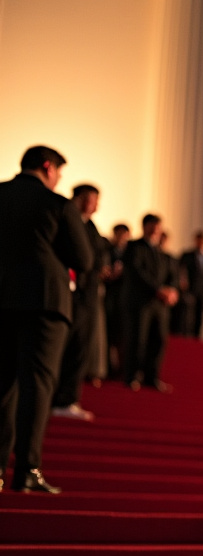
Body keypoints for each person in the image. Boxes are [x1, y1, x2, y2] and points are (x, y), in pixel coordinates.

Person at [0, 146, 94, 493]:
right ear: (47, 167)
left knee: (2, 385)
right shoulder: (56, 204)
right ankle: (27, 470)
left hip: (2, 297)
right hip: (44, 301)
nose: (58, 179)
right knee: (37, 385)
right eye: (59, 173)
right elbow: (82, 259)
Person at [51, 184, 106, 421]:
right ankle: (55, 398)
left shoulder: (93, 229)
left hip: (88, 298)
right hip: (66, 294)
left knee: (80, 348)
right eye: (90, 199)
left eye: (96, 200)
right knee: (59, 348)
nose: (94, 205)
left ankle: (68, 398)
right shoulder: (64, 219)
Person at [122, 214, 178, 392]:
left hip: (159, 305)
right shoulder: (134, 247)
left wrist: (172, 290)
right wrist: (158, 290)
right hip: (141, 302)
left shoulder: (161, 252)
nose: (155, 230)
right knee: (138, 339)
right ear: (145, 226)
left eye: (158, 227)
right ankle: (131, 376)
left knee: (159, 340)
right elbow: (137, 273)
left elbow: (172, 275)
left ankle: (151, 377)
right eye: (152, 226)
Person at [103, 223, 130, 377]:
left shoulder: (130, 252)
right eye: (119, 234)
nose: (121, 238)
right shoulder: (107, 250)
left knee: (122, 336)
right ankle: (109, 368)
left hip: (124, 299)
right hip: (109, 298)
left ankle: (121, 369)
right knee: (108, 335)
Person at [176, 230, 203, 338]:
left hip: (202, 294)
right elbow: (179, 271)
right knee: (187, 320)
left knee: (199, 321)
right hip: (188, 292)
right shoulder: (187, 255)